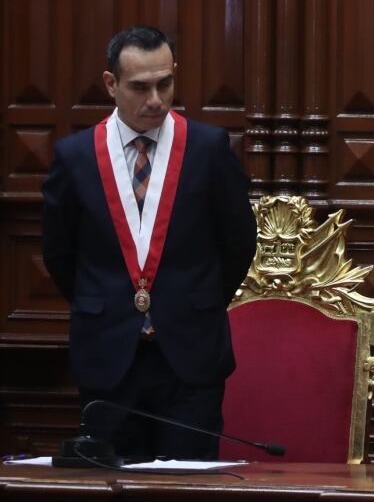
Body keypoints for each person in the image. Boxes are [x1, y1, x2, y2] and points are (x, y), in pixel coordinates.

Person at [42, 26, 257, 459]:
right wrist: (108, 300)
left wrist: (197, 301)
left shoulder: (209, 148)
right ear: (111, 85)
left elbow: (238, 243)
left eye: (165, 83)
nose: (155, 99)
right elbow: (60, 254)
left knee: (187, 487)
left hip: (190, 357)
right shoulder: (76, 156)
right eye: (140, 87)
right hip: (109, 355)